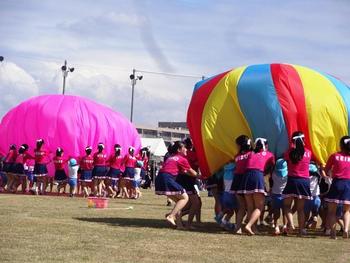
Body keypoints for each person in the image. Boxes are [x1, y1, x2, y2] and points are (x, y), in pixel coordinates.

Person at [155, 141, 197, 228]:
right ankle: (171, 216)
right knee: (185, 198)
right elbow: (192, 172)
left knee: (179, 201)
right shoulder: (182, 159)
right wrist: (203, 176)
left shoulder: (171, 157)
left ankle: (179, 225)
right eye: (184, 148)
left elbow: (183, 171)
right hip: (167, 178)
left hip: (160, 178)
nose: (186, 149)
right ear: (179, 150)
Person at [240, 137, 275, 235]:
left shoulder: (249, 154)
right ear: (265, 145)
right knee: (260, 206)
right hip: (257, 175)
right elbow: (272, 165)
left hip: (246, 177)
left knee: (250, 206)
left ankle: (253, 228)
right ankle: (248, 225)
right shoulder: (269, 154)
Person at [282, 131, 312, 236]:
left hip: (292, 180)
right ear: (303, 140)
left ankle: (291, 224)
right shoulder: (309, 153)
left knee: (286, 206)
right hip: (304, 182)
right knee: (300, 209)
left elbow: (285, 158)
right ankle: (301, 231)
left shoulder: (288, 152)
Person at [324, 136, 350, 239]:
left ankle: (333, 234)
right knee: (347, 211)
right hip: (349, 185)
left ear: (341, 145)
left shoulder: (335, 156)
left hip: (337, 183)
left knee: (331, 211)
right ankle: (346, 229)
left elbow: (326, 170)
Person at [230, 135, 252, 234]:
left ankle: (238, 227)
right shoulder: (252, 154)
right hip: (247, 180)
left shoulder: (237, 156)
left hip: (237, 181)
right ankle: (250, 225)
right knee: (251, 206)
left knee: (241, 206)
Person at [271, 158, 288, 235]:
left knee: (276, 211)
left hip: (275, 194)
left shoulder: (273, 173)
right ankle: (285, 226)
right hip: (285, 195)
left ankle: (276, 227)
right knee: (285, 212)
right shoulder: (287, 174)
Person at [304, 162, 322, 229]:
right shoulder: (317, 176)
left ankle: (304, 227)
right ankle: (314, 217)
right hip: (316, 198)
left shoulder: (305, 176)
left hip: (307, 197)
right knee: (315, 211)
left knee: (306, 214)